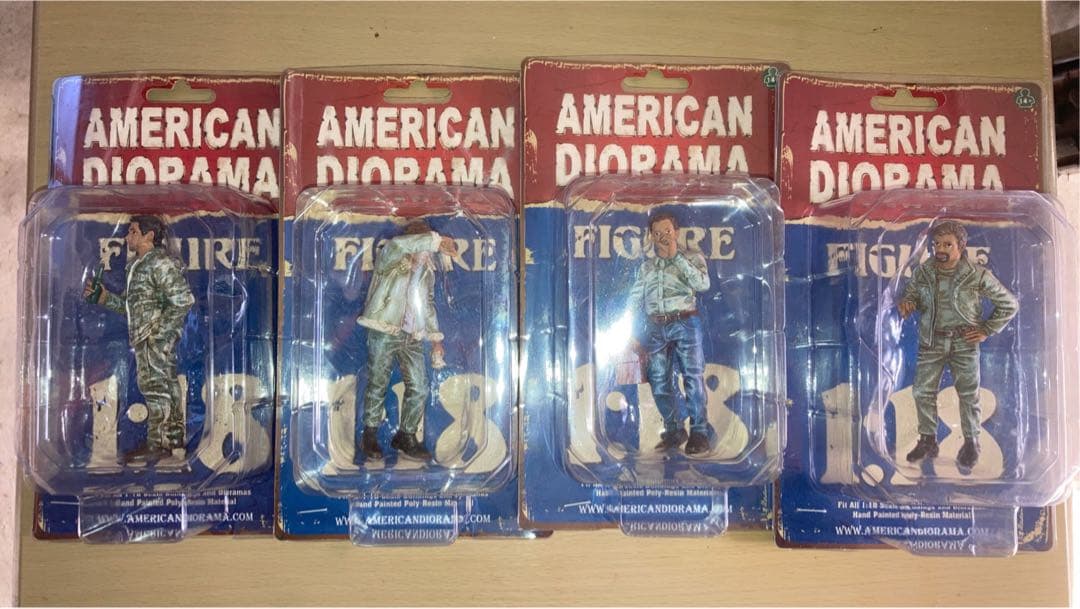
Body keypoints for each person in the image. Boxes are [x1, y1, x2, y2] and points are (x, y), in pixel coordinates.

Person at [898, 220, 1018, 469]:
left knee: (968, 394)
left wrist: (986, 329)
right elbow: (912, 294)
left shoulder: (976, 275)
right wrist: (908, 303)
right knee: (922, 391)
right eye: (936, 244)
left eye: (947, 244)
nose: (940, 249)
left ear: (961, 246)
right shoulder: (923, 272)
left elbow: (1009, 304)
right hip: (931, 340)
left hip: (964, 342)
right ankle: (928, 440)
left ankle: (972, 443)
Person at [84, 215, 194, 464]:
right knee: (154, 386)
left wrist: (160, 335)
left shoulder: (160, 263)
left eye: (133, 231)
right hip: (143, 336)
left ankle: (161, 443)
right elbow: (131, 306)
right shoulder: (137, 266)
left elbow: (183, 300)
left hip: (154, 337)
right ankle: (169, 442)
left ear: (149, 236)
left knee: (158, 387)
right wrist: (104, 298)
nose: (127, 237)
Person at [356, 219, 458, 462]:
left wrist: (435, 339)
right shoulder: (390, 259)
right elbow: (399, 245)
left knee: (420, 386)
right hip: (383, 330)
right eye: (424, 248)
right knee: (377, 382)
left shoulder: (427, 273)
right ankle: (370, 433)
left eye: (428, 250)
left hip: (412, 335)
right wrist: (435, 240)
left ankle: (406, 434)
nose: (427, 255)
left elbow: (428, 305)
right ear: (415, 244)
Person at [627, 212, 712, 455]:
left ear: (676, 232)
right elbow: (634, 300)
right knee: (658, 380)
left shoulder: (693, 258)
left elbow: (702, 284)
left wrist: (676, 257)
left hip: (685, 322)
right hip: (656, 327)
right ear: (651, 237)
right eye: (657, 233)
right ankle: (673, 429)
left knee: (692, 377)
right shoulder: (647, 268)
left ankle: (699, 432)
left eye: (667, 231)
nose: (662, 236)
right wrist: (629, 331)